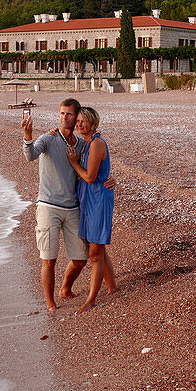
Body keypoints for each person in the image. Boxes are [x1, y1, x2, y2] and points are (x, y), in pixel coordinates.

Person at [22, 98, 115, 314]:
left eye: (70, 115)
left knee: (83, 257)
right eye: (62, 113)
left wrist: (110, 178)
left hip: (75, 206)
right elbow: (30, 155)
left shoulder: (83, 143)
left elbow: (96, 164)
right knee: (49, 258)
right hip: (48, 205)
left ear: (77, 118)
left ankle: (66, 288)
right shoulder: (49, 138)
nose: (65, 118)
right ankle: (51, 304)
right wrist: (28, 136)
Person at [66, 105, 116, 313]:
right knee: (98, 248)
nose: (79, 124)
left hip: (98, 199)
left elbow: (90, 177)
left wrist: (74, 163)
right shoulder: (86, 144)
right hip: (88, 199)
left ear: (92, 123)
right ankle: (112, 287)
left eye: (83, 121)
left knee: (95, 252)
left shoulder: (95, 144)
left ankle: (91, 299)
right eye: (77, 121)